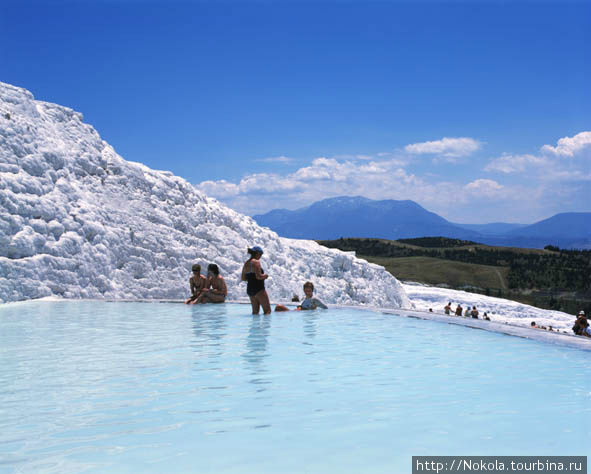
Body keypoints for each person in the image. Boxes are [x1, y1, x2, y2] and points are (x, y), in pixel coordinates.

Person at [241, 246, 271, 315]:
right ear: (257, 253)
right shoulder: (256, 262)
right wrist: (265, 276)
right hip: (258, 289)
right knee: (267, 311)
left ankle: (255, 326)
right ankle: (266, 326)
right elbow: (258, 276)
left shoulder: (246, 263)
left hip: (250, 290)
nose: (260, 256)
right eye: (260, 254)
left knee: (255, 312)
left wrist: (250, 277)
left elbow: (243, 278)